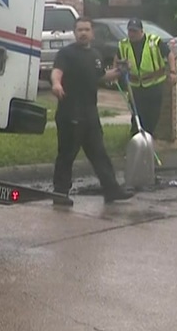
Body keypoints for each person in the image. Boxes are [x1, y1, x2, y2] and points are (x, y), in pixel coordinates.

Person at [51, 16, 133, 203]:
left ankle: (112, 190)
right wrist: (56, 84)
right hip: (70, 112)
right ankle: (60, 193)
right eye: (80, 30)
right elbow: (57, 72)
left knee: (99, 153)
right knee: (67, 154)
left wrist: (120, 71)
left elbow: (101, 77)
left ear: (92, 33)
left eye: (87, 30)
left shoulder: (95, 55)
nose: (83, 33)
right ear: (74, 32)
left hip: (90, 113)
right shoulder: (66, 53)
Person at [117, 18, 177, 139]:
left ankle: (148, 141)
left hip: (154, 86)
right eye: (130, 31)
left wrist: (173, 71)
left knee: (152, 117)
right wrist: (117, 72)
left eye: (134, 31)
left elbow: (169, 54)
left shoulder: (154, 42)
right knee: (137, 118)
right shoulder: (123, 44)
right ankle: (136, 143)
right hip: (135, 88)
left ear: (141, 31)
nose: (132, 34)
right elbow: (117, 59)